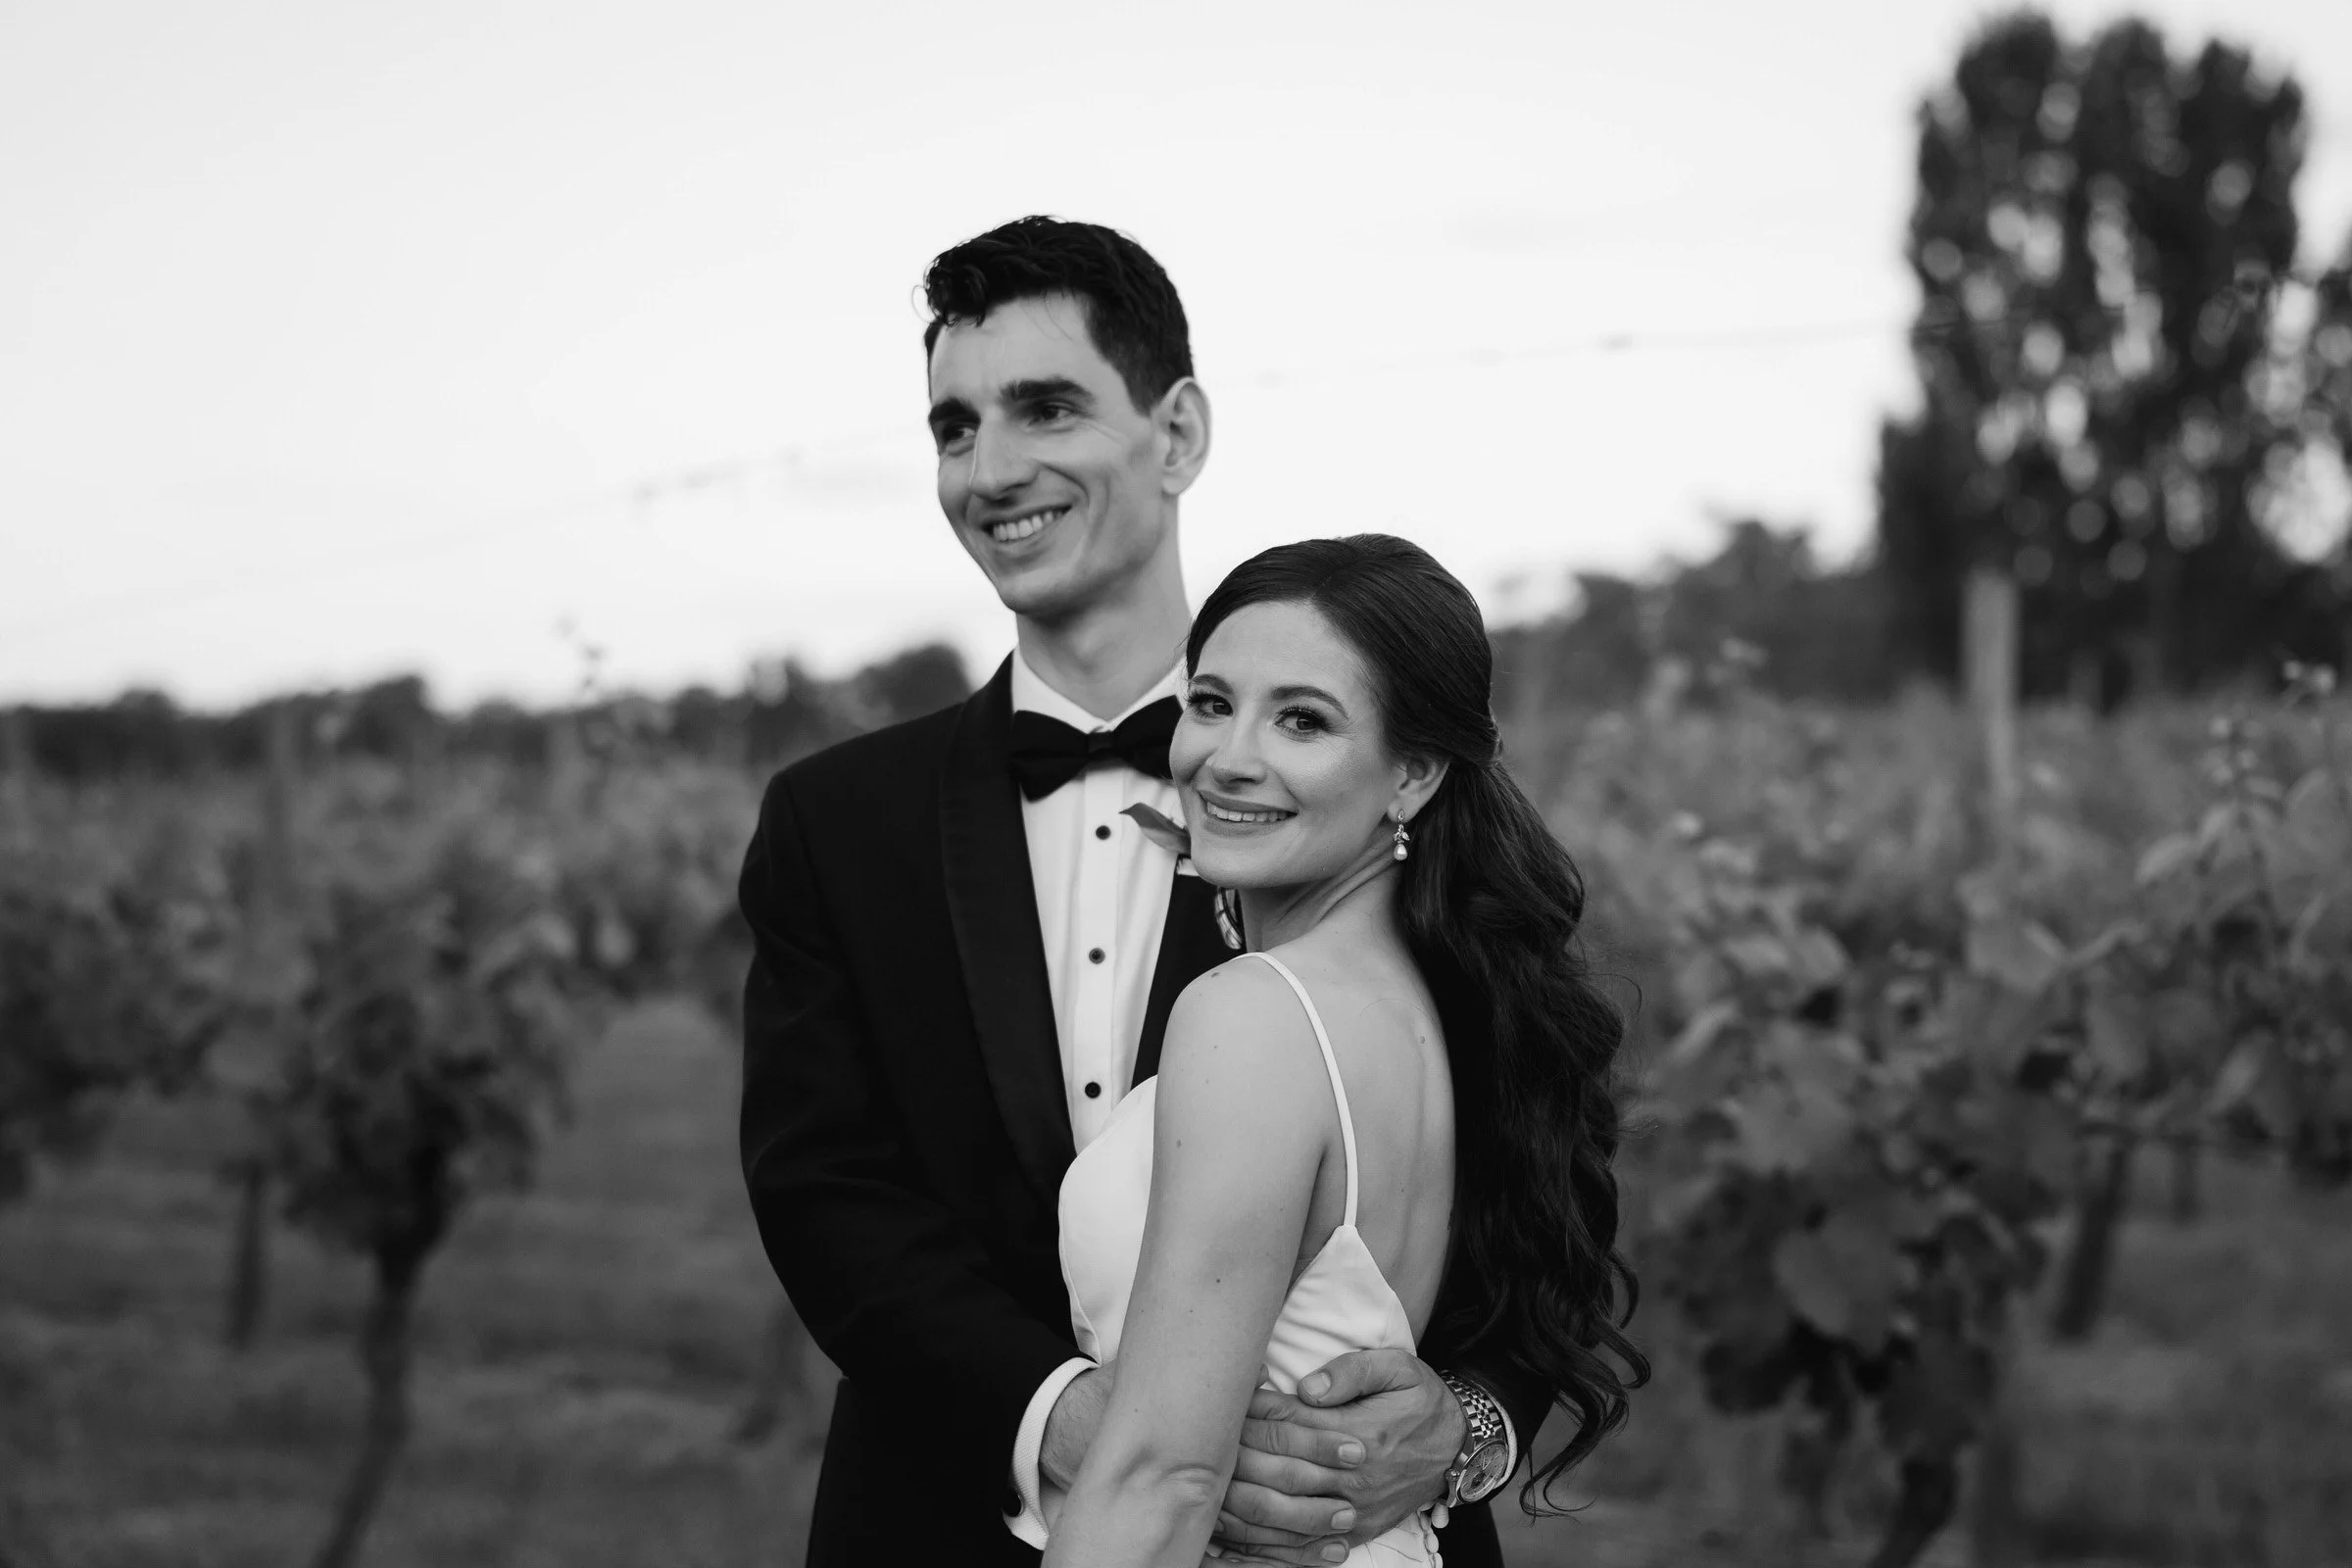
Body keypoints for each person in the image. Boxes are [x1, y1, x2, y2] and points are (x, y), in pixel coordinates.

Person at [736, 217, 1634, 1568]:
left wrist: (1466, 1429)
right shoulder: (834, 821)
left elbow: (1541, 1189)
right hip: (939, 1516)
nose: (993, 468)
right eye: (954, 427)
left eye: (1046, 408)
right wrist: (1068, 1417)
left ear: (1178, 434)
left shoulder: (1372, 808)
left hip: (1325, 1527)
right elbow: (824, 1196)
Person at [1040, 534, 1642, 1566]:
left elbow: (1162, 1475)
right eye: (1212, 702)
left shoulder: (1256, 1011)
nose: (1228, 755)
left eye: (1303, 720)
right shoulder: (1426, 997)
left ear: (1410, 774)